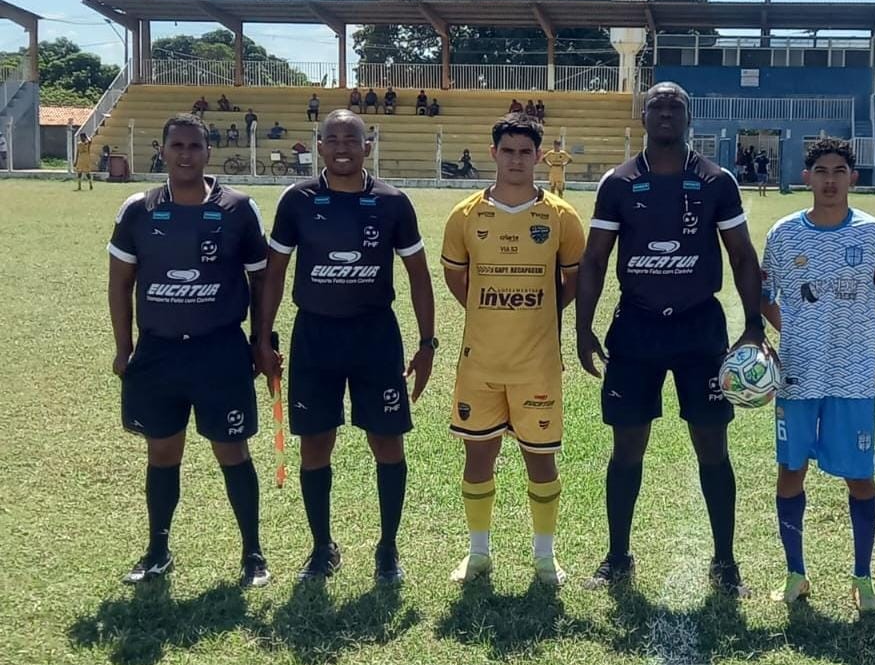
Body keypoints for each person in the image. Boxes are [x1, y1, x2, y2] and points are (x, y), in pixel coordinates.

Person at [575, 82, 765, 595]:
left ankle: (725, 563)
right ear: (642, 117)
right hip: (635, 329)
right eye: (655, 106)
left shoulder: (716, 181)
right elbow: (594, 259)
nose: (664, 113)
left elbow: (743, 256)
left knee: (712, 446)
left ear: (688, 117)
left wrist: (753, 323)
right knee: (626, 448)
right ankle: (617, 558)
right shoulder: (618, 183)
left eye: (674, 106)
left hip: (698, 329)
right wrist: (583, 324)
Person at [256, 109, 435, 583]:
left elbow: (418, 275)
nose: (341, 146)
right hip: (315, 335)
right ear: (318, 146)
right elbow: (274, 274)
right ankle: (321, 548)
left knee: (387, 442)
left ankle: (388, 549)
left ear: (366, 146)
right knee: (315, 444)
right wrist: (263, 336)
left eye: (350, 138)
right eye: (331, 137)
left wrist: (427, 343)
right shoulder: (297, 201)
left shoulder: (392, 202)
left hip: (375, 335)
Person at [107, 112, 271, 588]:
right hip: (158, 354)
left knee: (232, 451)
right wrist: (124, 347)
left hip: (219, 350)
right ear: (162, 150)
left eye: (194, 147)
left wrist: (262, 340)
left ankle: (253, 555)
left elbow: (261, 280)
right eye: (176, 146)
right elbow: (120, 284)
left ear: (207, 152)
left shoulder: (238, 208)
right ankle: (157, 551)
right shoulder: (138, 209)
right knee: (162, 454)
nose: (185, 154)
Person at [761, 137, 875, 611]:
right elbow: (765, 296)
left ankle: (863, 579)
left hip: (853, 380)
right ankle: (795, 574)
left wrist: (859, 344)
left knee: (860, 478)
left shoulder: (874, 235)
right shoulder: (783, 235)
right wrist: (795, 334)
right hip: (798, 377)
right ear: (806, 177)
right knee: (790, 472)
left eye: (839, 170)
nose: (829, 179)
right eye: (820, 170)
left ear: (853, 178)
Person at [441, 113, 586, 586]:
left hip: (536, 364)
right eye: (509, 151)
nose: (517, 160)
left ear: (540, 157)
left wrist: (538, 315)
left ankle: (545, 558)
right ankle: (477, 553)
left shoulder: (561, 217)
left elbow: (572, 281)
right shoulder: (465, 215)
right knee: (477, 457)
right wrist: (489, 312)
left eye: (526, 152)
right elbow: (456, 278)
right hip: (480, 361)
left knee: (540, 459)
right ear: (494, 154)